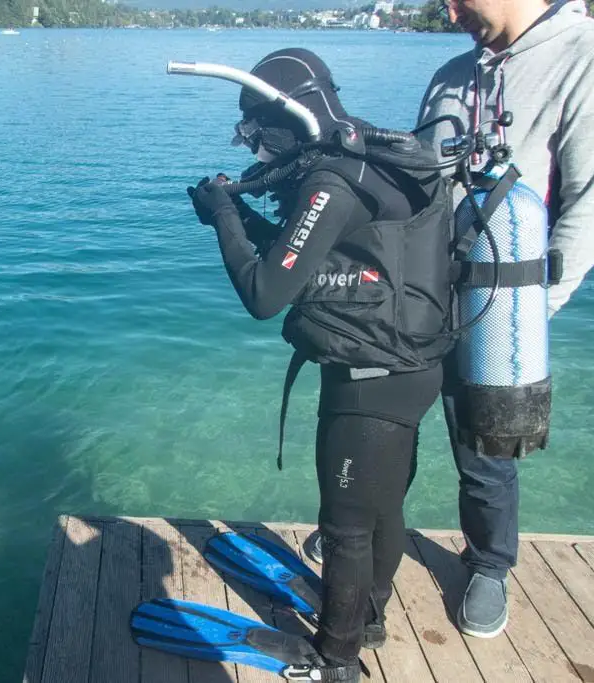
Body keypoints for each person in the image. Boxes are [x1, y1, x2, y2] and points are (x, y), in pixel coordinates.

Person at [182, 48, 455, 678]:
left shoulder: (329, 183)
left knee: (346, 529)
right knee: (382, 510)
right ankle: (370, 620)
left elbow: (264, 294)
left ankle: (336, 657)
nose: (255, 149)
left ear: (285, 117)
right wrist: (237, 214)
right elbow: (310, 260)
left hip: (370, 382)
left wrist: (225, 214)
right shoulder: (358, 159)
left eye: (255, 131)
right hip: (410, 365)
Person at [411, 0, 594, 639]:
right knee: (387, 416)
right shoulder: (448, 74)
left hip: (502, 307)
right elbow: (417, 178)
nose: (447, 8)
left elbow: (588, 203)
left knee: (484, 450)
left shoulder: (584, 55)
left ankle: (490, 562)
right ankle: (367, 526)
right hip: (421, 292)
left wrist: (530, 310)